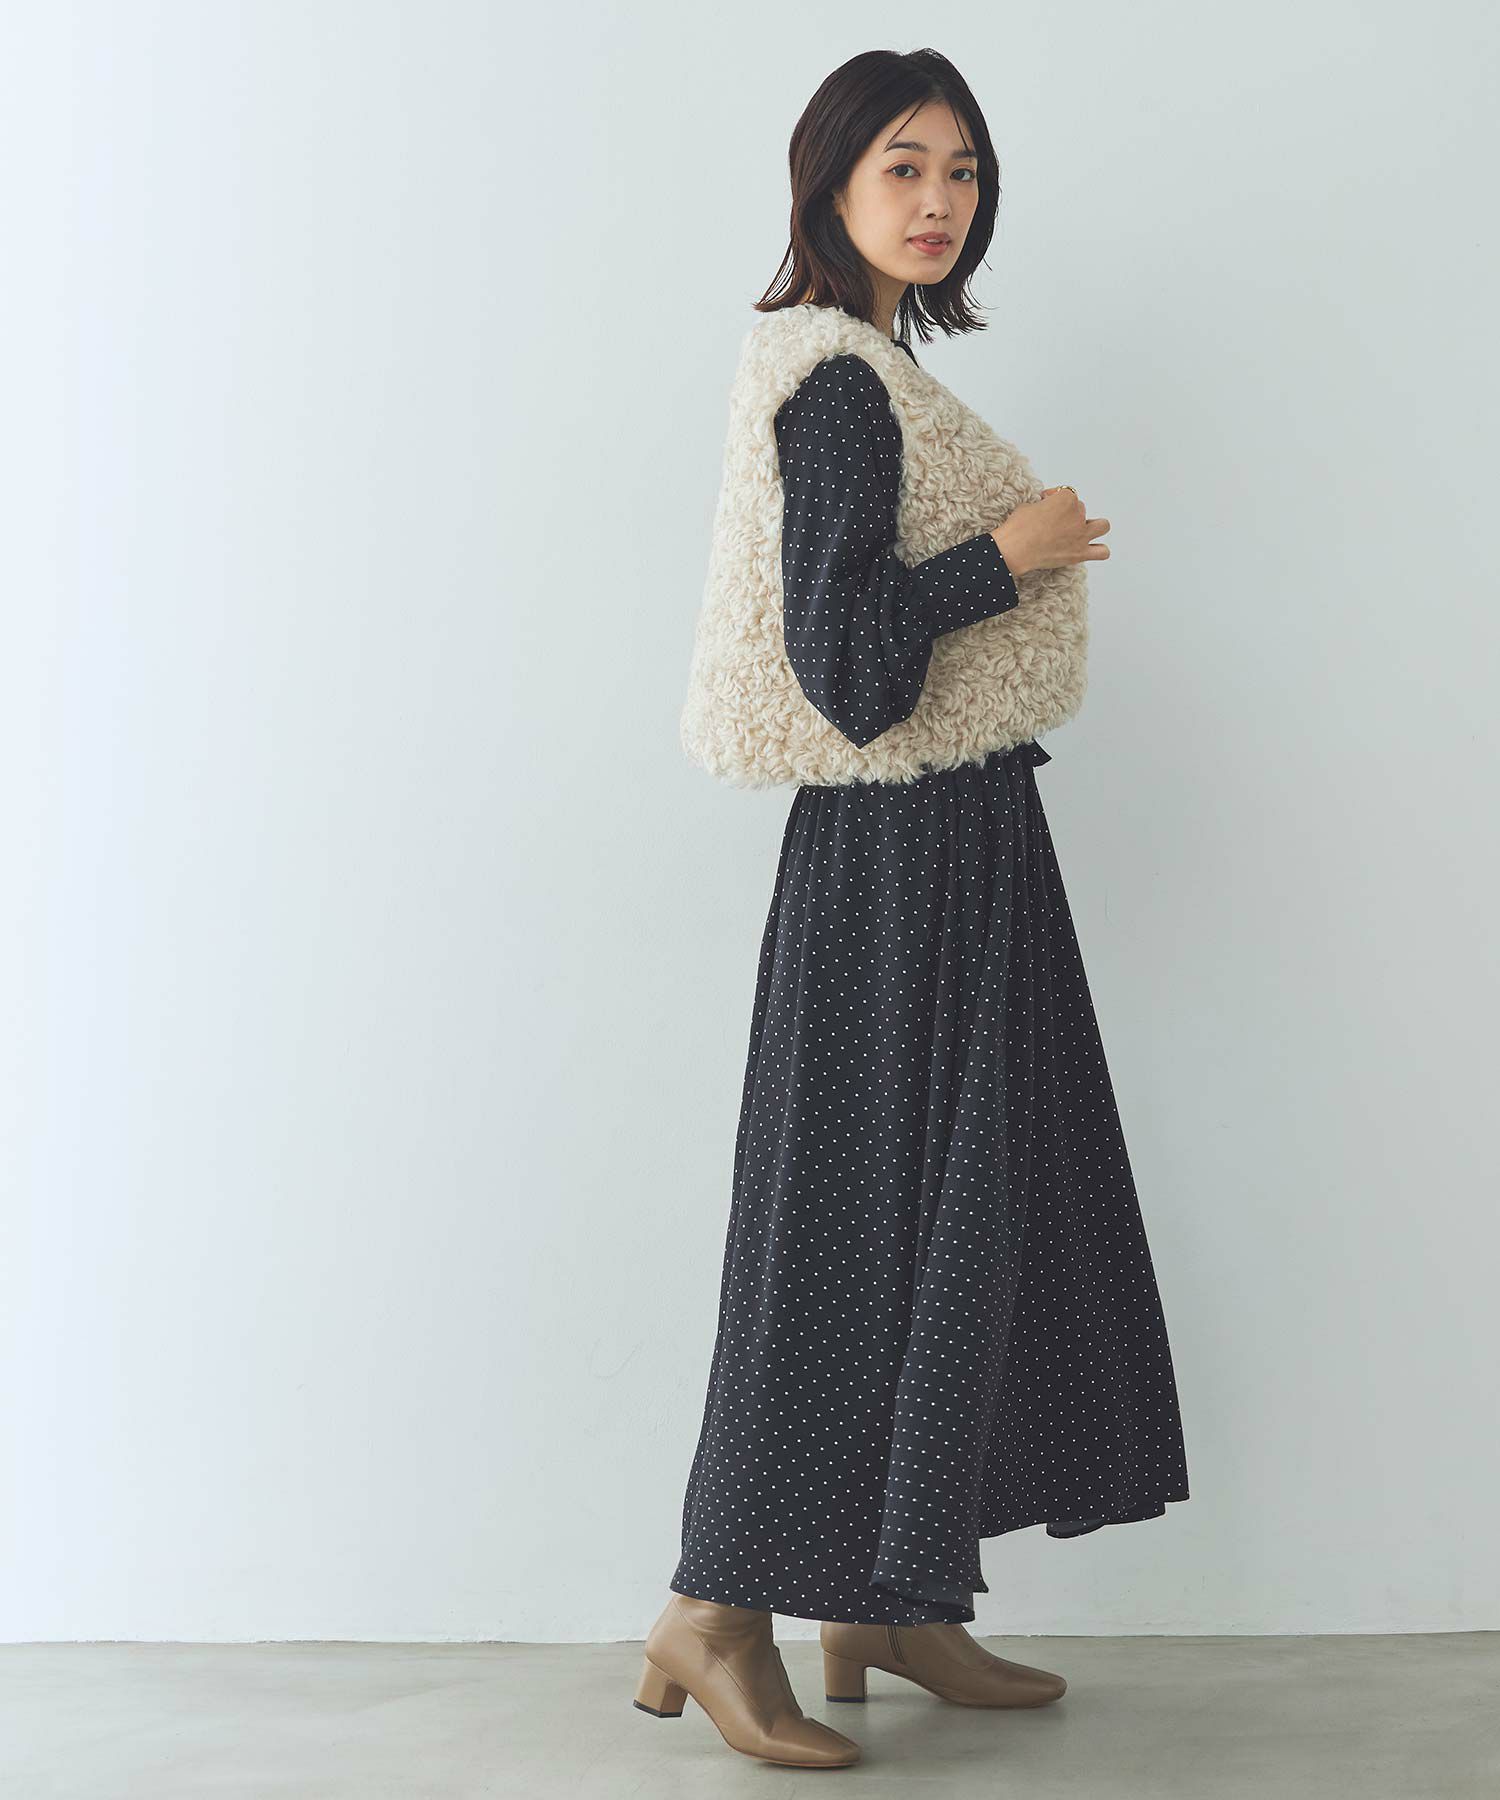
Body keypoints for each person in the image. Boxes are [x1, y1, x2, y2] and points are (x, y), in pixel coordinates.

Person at [637, 48, 1190, 1770]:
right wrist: (1004, 558)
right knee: (849, 1235)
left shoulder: (880, 370)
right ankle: (716, 1613)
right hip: (896, 864)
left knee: (964, 1225)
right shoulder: (835, 385)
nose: (940, 199)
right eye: (903, 165)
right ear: (829, 185)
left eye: (963, 170)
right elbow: (853, 673)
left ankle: (882, 1595)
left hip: (955, 853)